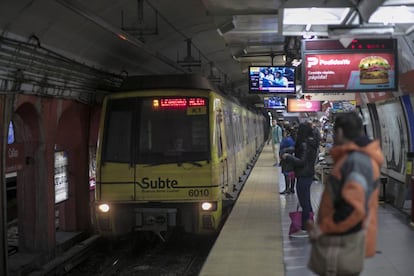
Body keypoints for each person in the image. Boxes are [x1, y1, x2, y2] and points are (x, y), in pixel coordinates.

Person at [306, 112, 384, 275]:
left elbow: (353, 208)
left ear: (340, 133)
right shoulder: (354, 158)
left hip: (344, 241)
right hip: (344, 238)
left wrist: (324, 228)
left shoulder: (356, 161)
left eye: (334, 133)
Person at [282, 121, 318, 237]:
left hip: (303, 175)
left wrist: (289, 157)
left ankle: (305, 229)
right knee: (306, 201)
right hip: (307, 175)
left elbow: (302, 162)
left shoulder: (304, 144)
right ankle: (309, 226)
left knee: (304, 203)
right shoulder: (310, 142)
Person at [279, 127, 295, 194]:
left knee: (286, 174)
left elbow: (282, 147)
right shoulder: (292, 139)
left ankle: (287, 189)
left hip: (286, 159)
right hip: (292, 158)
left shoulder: (286, 140)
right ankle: (292, 189)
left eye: (285, 132)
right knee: (292, 174)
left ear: (287, 132)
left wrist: (281, 155)